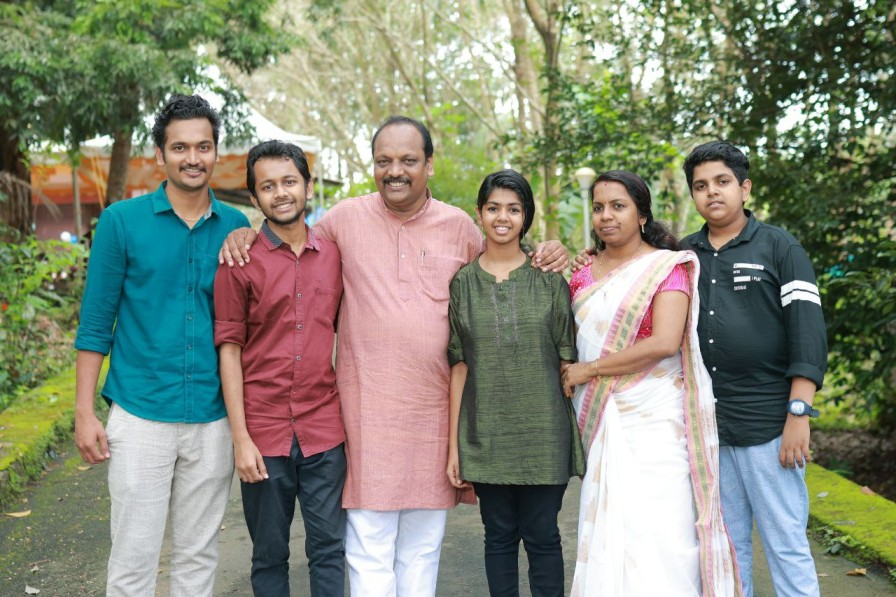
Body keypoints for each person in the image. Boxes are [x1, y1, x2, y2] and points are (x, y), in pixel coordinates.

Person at [218, 116, 569, 596]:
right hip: (364, 416)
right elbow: (291, 235)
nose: (394, 171)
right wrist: (243, 233)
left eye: (407, 160)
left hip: (434, 415)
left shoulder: (460, 228)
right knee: (368, 548)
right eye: (384, 161)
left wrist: (553, 251)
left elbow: (503, 261)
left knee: (422, 551)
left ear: (429, 163)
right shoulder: (344, 220)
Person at [73, 94, 250, 596]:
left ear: (216, 152)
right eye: (180, 147)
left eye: (203, 146)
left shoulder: (237, 228)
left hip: (213, 419)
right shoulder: (121, 222)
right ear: (160, 155)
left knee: (198, 558)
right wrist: (85, 412)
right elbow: (94, 324)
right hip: (141, 413)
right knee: (133, 558)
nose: (192, 158)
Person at [560, 170, 740, 595]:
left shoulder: (665, 267)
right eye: (599, 207)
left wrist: (590, 371)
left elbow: (663, 342)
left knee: (661, 533)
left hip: (656, 422)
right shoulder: (582, 273)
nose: (606, 216)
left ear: (642, 214)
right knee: (607, 527)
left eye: (618, 206)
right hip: (603, 420)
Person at [680, 141, 827, 597]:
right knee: (725, 546)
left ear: (744, 187)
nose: (712, 193)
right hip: (708, 426)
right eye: (701, 186)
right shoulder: (683, 255)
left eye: (722, 182)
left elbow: (808, 332)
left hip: (769, 424)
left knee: (785, 542)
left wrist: (798, 413)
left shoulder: (780, 247)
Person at [214, 141, 346, 596]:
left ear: (307, 187)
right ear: (254, 199)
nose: (281, 193)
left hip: (324, 429)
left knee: (330, 548)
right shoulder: (238, 261)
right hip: (264, 433)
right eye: (267, 186)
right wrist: (241, 439)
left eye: (290, 181)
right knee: (269, 555)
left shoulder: (334, 255)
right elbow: (228, 349)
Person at [446, 169, 584, 597]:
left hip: (543, 436)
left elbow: (569, 363)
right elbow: (460, 366)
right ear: (479, 214)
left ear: (526, 217)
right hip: (486, 435)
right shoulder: (463, 284)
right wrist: (454, 446)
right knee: (499, 537)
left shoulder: (549, 280)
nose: (502, 217)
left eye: (513, 209)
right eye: (493, 208)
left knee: (543, 536)